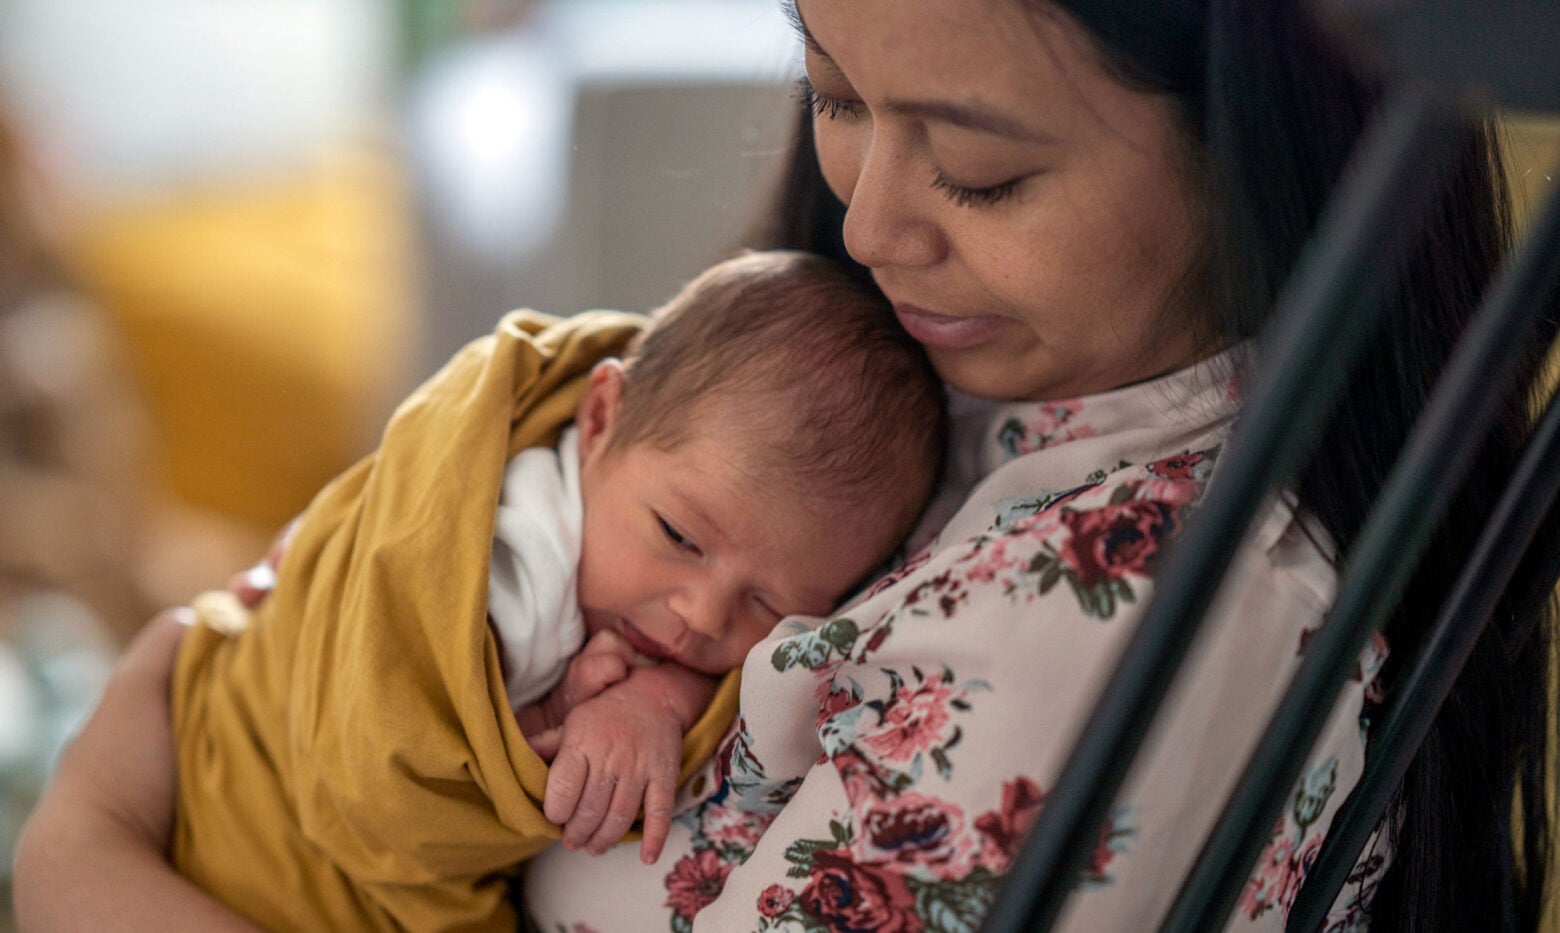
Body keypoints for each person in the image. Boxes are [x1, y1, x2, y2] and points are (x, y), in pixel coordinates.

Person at [14, 0, 1556, 930]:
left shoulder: (1123, 622)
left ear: (1254, 150)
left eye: (980, 168)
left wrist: (88, 851)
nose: (875, 222)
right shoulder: (954, 383)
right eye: (833, 93)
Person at [162, 249, 946, 930]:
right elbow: (385, 764)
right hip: (244, 807)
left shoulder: (640, 529)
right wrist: (559, 715)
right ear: (601, 416)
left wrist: (658, 698)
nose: (702, 615)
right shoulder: (515, 557)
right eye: (678, 536)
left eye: (770, 606)